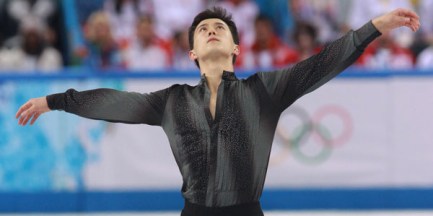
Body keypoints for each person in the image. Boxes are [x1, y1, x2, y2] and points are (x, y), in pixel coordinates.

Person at [15, 7, 420, 216]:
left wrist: (374, 27)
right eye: (203, 29)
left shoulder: (264, 90)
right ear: (191, 51)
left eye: (220, 28)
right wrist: (55, 101)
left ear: (236, 49)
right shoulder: (172, 101)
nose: (212, 30)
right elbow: (115, 102)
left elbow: (322, 62)